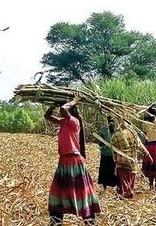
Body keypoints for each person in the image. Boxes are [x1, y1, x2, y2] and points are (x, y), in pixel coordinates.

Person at [44, 95, 101, 225]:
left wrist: (75, 100)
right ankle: (56, 221)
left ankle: (90, 221)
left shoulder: (74, 121)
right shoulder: (63, 122)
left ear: (72, 110)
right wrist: (53, 105)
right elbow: (47, 117)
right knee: (57, 193)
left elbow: (64, 110)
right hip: (64, 161)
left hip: (74, 161)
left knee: (81, 192)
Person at [111, 122, 144, 199]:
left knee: (123, 177)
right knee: (131, 176)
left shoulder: (116, 134)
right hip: (132, 159)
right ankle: (130, 191)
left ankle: (126, 192)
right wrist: (146, 153)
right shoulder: (132, 132)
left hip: (121, 159)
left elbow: (113, 147)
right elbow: (139, 144)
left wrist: (114, 158)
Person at [96, 116, 118, 190]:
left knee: (105, 169)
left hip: (105, 154)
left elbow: (100, 144)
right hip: (114, 154)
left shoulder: (104, 129)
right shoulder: (117, 130)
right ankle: (114, 185)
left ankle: (105, 186)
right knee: (113, 170)